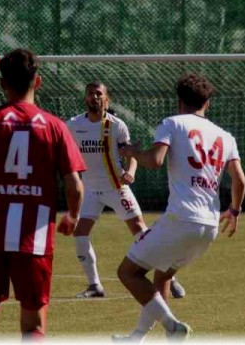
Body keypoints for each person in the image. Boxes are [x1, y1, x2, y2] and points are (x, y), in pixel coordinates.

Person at [0, 49, 86, 338]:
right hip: (33, 236)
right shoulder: (55, 126)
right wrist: (72, 215)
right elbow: (74, 184)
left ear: (2, 84)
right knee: (33, 326)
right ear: (37, 82)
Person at [115, 73, 245, 341]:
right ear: (207, 103)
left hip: (181, 219)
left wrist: (130, 153)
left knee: (128, 272)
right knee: (162, 276)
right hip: (208, 226)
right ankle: (139, 336)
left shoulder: (172, 123)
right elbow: (240, 179)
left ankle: (173, 326)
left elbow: (155, 160)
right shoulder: (225, 136)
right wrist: (234, 210)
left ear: (179, 100)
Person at [67, 82, 185, 300]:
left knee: (141, 231)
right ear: (85, 98)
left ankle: (170, 277)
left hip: (115, 187)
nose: (94, 97)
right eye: (90, 94)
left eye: (99, 94)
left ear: (107, 99)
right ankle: (94, 286)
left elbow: (130, 153)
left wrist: (131, 171)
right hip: (90, 189)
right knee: (80, 235)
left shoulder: (116, 125)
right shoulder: (73, 125)